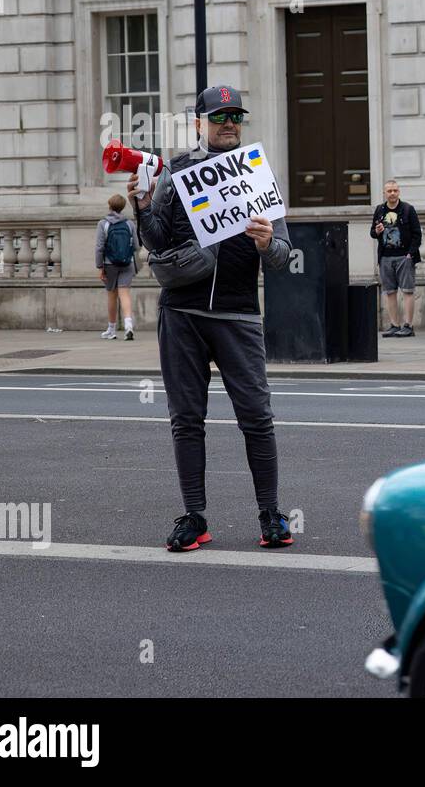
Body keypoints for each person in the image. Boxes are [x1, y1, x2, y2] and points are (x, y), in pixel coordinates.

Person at [130, 85, 296, 552]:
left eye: (236, 117)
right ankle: (195, 517)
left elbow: (282, 256)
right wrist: (143, 206)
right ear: (199, 121)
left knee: (257, 418)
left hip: (238, 313)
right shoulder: (178, 171)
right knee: (186, 419)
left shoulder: (258, 175)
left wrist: (267, 243)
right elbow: (156, 240)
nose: (229, 124)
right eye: (220, 116)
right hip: (181, 311)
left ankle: (270, 515)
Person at [370, 179, 421, 337]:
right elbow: (372, 233)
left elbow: (417, 234)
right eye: (389, 191)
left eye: (395, 190)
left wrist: (410, 254)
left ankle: (408, 325)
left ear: (399, 192)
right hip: (385, 256)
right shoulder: (380, 210)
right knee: (389, 291)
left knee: (407, 291)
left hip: (404, 256)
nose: (392, 193)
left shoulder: (407, 209)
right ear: (384, 193)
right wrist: (377, 231)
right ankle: (394, 324)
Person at [94, 193, 137, 340]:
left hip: (109, 264)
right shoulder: (129, 223)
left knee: (112, 295)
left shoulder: (103, 224)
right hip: (127, 263)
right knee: (125, 294)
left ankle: (111, 329)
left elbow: (99, 247)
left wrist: (100, 267)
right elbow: (137, 245)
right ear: (123, 207)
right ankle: (128, 326)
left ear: (110, 206)